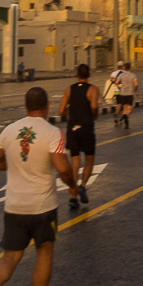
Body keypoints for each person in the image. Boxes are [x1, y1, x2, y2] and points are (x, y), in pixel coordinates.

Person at [0, 88, 77, 286]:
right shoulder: (52, 132)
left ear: (25, 106)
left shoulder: (10, 130)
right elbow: (62, 168)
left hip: (14, 206)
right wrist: (73, 185)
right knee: (44, 254)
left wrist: (10, 168)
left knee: (10, 256)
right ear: (46, 107)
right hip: (43, 207)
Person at [57, 65, 99, 209]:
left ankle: (73, 197)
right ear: (89, 74)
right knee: (89, 160)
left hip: (72, 130)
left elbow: (61, 110)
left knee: (75, 163)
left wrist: (73, 110)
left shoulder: (69, 89)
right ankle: (83, 185)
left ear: (76, 75)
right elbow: (93, 107)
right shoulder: (93, 89)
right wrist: (93, 112)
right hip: (87, 128)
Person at [114, 63, 138, 129]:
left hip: (122, 93)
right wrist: (135, 89)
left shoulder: (121, 75)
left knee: (124, 107)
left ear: (124, 68)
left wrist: (118, 87)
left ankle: (125, 120)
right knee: (129, 107)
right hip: (130, 93)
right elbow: (136, 84)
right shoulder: (133, 75)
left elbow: (116, 82)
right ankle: (125, 115)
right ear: (130, 68)